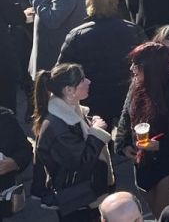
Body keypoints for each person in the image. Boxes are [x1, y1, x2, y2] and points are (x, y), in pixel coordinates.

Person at [115, 42, 169, 215]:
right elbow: (125, 119)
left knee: (164, 213)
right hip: (143, 163)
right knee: (154, 211)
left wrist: (161, 145)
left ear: (152, 68)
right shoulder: (136, 86)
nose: (132, 69)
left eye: (137, 65)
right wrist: (124, 145)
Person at [31, 63, 114, 222]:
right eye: (82, 80)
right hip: (79, 201)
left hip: (85, 196)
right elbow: (81, 163)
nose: (88, 82)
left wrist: (90, 124)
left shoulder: (69, 112)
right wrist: (96, 133)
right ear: (69, 90)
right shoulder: (57, 126)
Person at [57, 0, 145, 126]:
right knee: (127, 138)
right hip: (127, 94)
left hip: (92, 98)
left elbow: (62, 70)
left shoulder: (77, 35)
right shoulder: (133, 31)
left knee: (99, 139)